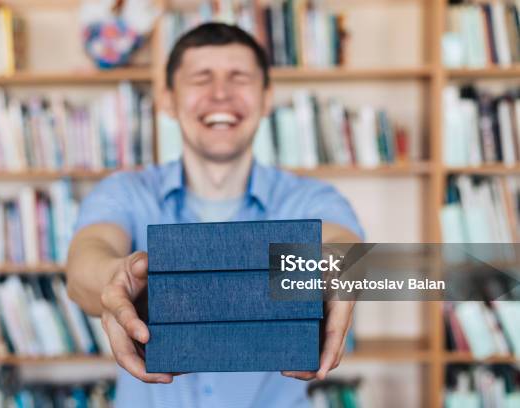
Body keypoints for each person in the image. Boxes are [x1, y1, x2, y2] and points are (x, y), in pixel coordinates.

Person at [66, 22, 364, 408]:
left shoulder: (310, 198)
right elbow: (85, 262)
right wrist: (113, 281)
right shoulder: (124, 192)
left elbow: (347, 250)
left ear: (266, 98)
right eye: (200, 78)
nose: (220, 94)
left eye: (238, 78)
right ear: (168, 100)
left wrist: (335, 270)